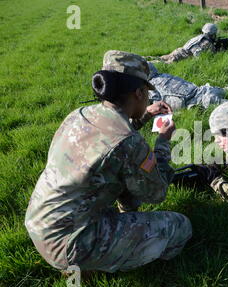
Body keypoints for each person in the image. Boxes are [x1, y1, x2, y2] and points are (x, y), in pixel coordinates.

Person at [24, 50, 192, 273]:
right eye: (147, 92)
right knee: (180, 226)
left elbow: (111, 142)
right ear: (139, 93)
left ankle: (116, 235)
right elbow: (157, 193)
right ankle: (148, 267)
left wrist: (144, 116)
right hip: (72, 246)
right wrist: (163, 141)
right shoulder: (129, 143)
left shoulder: (80, 114)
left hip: (40, 224)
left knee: (124, 177)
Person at [149, 23, 218, 64]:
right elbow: (198, 55)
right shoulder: (206, 43)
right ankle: (144, 64)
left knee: (161, 58)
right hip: (182, 56)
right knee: (161, 63)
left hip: (178, 51)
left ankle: (143, 59)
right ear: (212, 34)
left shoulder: (200, 36)